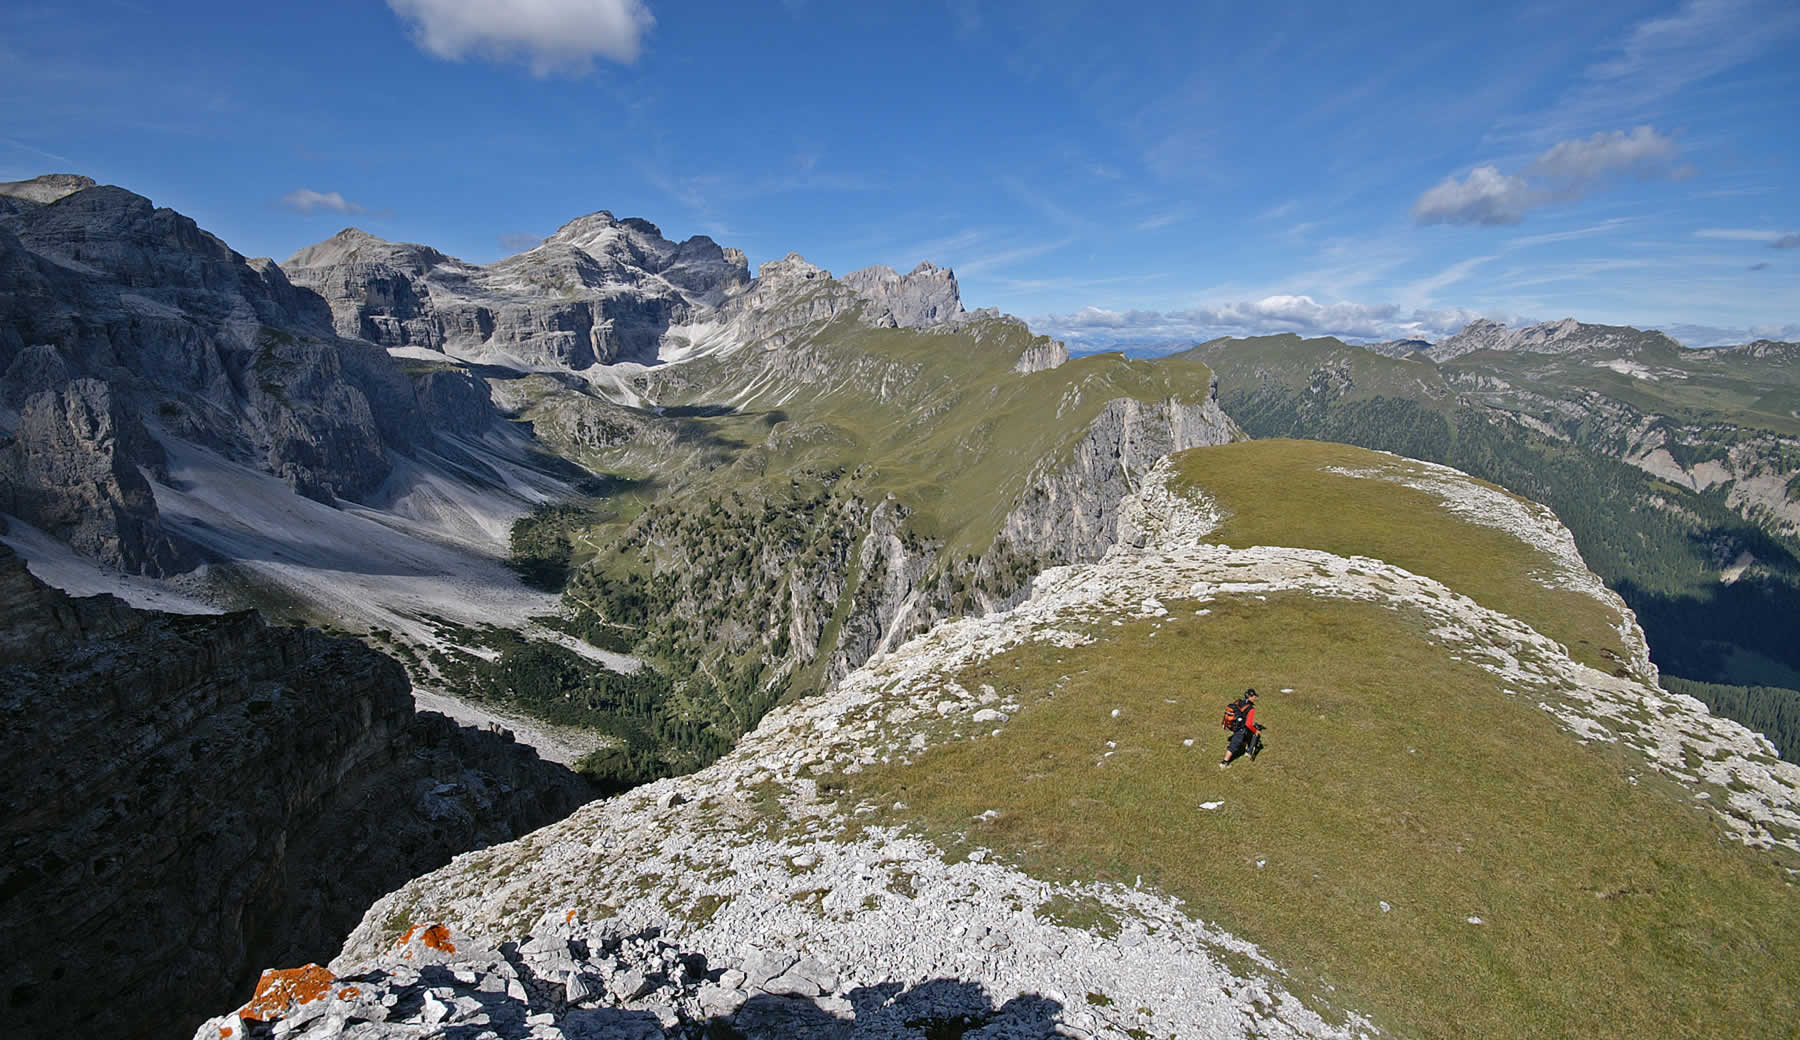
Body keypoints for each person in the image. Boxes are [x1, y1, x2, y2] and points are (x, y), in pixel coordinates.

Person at [1220, 688, 1263, 768]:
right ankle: (1224, 762)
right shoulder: (1251, 709)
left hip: (1234, 725)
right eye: (1254, 696)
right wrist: (1256, 731)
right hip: (1240, 728)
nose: (1255, 698)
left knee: (1246, 735)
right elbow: (1249, 724)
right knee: (1234, 745)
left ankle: (1247, 750)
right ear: (1250, 697)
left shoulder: (1238, 701)